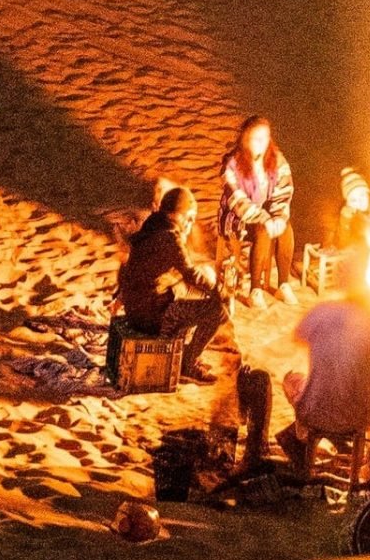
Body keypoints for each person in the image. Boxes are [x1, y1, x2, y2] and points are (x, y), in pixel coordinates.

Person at [283, 284, 370, 483]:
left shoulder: (322, 311)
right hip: (354, 416)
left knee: (292, 380)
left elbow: (297, 336)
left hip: (312, 411)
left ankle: (306, 440)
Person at [112, 185, 225, 381]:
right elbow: (191, 274)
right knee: (218, 310)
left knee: (185, 292)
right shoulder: (171, 238)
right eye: (189, 218)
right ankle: (188, 363)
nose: (190, 224)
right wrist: (219, 289)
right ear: (179, 216)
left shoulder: (151, 225)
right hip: (152, 316)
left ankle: (184, 352)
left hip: (135, 310)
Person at [217, 116, 297, 303]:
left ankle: (283, 284)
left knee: (286, 229)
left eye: (265, 138)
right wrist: (264, 218)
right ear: (245, 139)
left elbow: (284, 191)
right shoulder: (232, 164)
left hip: (266, 212)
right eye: (256, 138)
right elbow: (236, 200)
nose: (262, 143)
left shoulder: (276, 159)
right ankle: (255, 289)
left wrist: (278, 217)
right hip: (237, 217)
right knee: (263, 232)